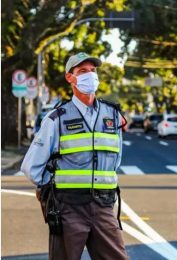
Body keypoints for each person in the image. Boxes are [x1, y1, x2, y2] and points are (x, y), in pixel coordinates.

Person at [21, 52, 129, 260]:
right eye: (82, 71)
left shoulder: (113, 115)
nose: (89, 75)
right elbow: (31, 166)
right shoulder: (57, 119)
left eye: (92, 71)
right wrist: (52, 190)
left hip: (104, 206)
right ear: (70, 78)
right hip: (68, 207)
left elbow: (116, 160)